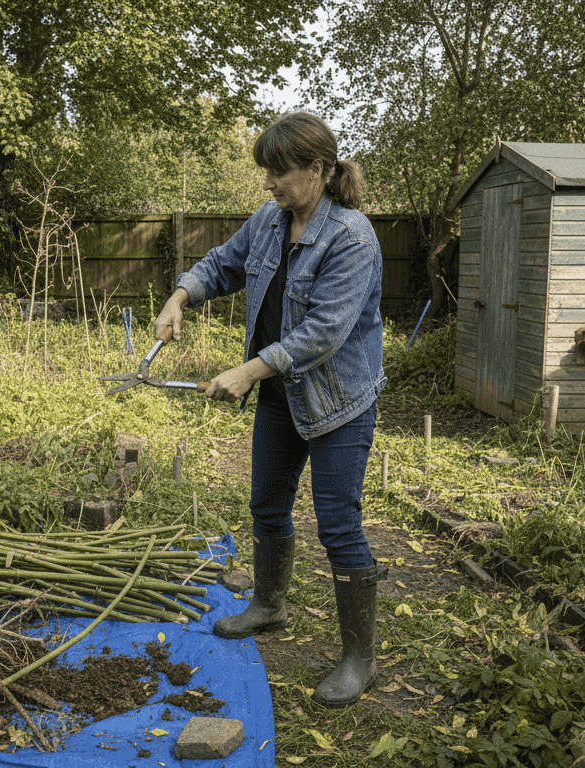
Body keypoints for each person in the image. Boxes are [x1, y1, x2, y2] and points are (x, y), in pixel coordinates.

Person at [153, 112, 386, 708]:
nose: (268, 185)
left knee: (338, 525)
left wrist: (248, 369)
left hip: (338, 402)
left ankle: (360, 658)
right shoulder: (268, 220)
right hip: (283, 396)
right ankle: (269, 604)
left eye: (278, 173)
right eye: (266, 173)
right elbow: (221, 265)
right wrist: (180, 296)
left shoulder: (352, 236)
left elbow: (323, 332)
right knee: (267, 504)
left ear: (317, 168)